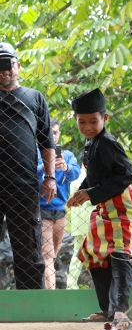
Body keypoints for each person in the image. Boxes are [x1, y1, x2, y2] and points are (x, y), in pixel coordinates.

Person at [66, 88, 132, 330]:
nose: (87, 127)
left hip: (121, 205)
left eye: (93, 121)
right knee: (94, 254)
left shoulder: (107, 143)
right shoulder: (90, 143)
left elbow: (127, 174)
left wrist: (91, 193)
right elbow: (95, 175)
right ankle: (107, 309)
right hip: (102, 205)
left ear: (104, 119)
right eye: (82, 122)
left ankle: (121, 312)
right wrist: (83, 191)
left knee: (118, 254)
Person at [0, 42, 56, 289]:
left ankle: (33, 304)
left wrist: (51, 177)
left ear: (17, 66)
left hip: (23, 185)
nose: (4, 72)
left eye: (8, 65)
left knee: (28, 248)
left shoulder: (35, 98)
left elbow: (47, 141)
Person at [38, 119, 81, 289]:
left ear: (59, 134)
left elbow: (76, 173)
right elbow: (30, 173)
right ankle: (51, 296)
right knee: (47, 256)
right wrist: (45, 167)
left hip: (60, 212)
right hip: (42, 211)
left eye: (55, 133)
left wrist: (65, 168)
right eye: (49, 133)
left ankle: (46, 288)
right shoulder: (35, 153)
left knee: (52, 257)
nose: (52, 136)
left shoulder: (68, 155)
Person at [66, 153, 90, 292]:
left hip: (77, 224)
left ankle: (71, 285)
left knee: (76, 256)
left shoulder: (74, 182)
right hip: (92, 224)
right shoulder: (93, 181)